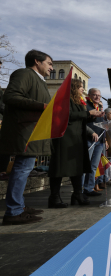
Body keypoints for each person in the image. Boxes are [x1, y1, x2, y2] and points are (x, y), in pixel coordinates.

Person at [1, 50, 53, 225]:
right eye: (49, 63)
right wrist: (42, 106)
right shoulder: (24, 73)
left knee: (25, 168)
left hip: (32, 130)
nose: (52, 68)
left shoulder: (39, 80)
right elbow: (10, 96)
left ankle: (19, 206)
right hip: (25, 130)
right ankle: (14, 211)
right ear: (37, 62)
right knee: (22, 168)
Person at [48, 79, 103, 208]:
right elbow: (66, 115)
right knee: (59, 168)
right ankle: (54, 197)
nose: (82, 89)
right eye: (80, 87)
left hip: (77, 137)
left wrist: (91, 115)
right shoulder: (64, 99)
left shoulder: (78, 101)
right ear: (73, 87)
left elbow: (78, 116)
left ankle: (78, 194)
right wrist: (88, 113)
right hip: (65, 137)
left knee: (77, 167)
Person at [83, 87, 105, 196]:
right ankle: (81, 190)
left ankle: (89, 188)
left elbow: (103, 125)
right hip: (89, 139)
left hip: (100, 141)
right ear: (89, 95)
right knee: (85, 165)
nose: (97, 97)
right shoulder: (86, 106)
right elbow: (83, 122)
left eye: (99, 95)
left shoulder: (99, 108)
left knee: (93, 166)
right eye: (95, 95)